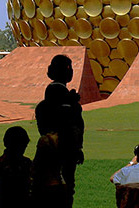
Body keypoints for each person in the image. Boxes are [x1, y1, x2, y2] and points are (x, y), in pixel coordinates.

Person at [34, 55, 84, 208]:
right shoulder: (64, 102)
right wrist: (76, 149)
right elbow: (70, 127)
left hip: (51, 150)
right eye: (69, 68)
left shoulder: (49, 102)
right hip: (63, 151)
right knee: (64, 190)